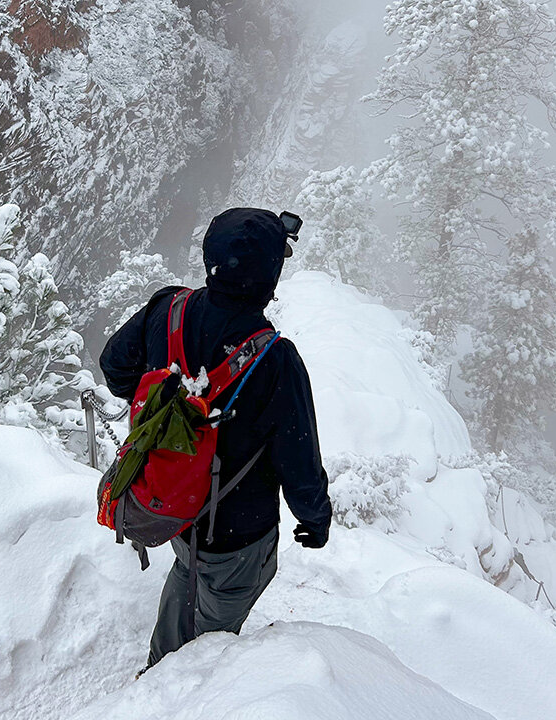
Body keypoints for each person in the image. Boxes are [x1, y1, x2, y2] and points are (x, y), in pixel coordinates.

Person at [99, 207, 332, 668]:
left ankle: (158, 669)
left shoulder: (167, 311)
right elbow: (299, 462)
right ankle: (185, 689)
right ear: (271, 275)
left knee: (187, 571)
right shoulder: (275, 358)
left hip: (175, 508)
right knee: (210, 648)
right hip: (239, 532)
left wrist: (166, 408)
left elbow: (115, 367)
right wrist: (316, 519)